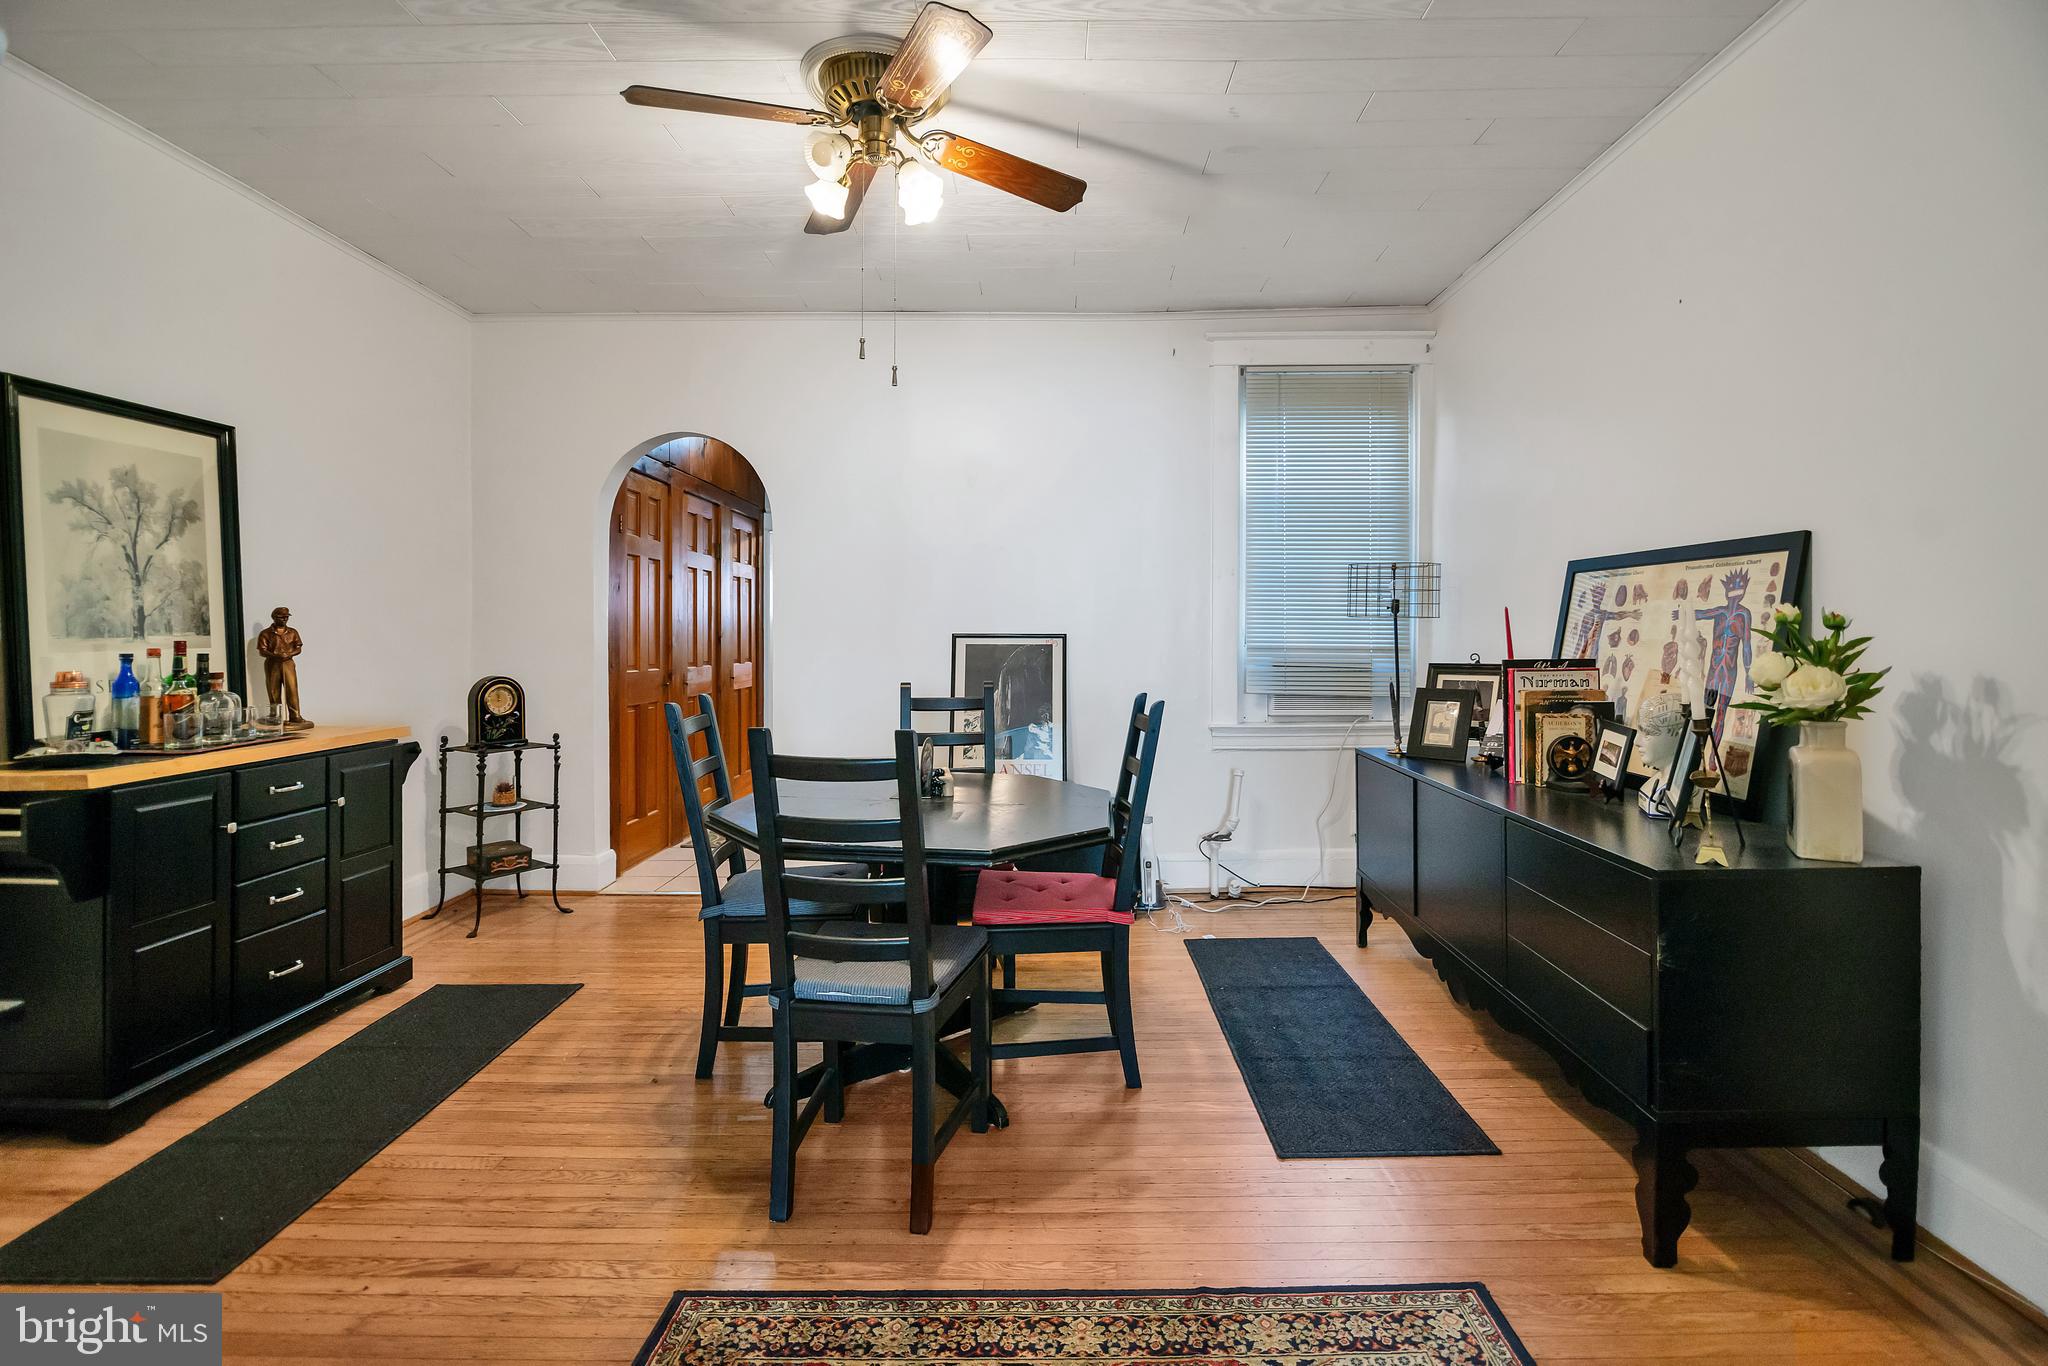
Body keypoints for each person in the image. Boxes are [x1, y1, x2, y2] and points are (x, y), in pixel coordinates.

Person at [257, 607, 314, 729]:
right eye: (282, 617)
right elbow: (262, 651)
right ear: (274, 617)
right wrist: (275, 655)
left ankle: (295, 716)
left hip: (288, 663)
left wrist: (289, 654)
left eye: (286, 617)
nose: (285, 619)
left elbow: (298, 648)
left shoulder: (293, 632)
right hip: (272, 663)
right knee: (273, 690)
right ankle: (275, 716)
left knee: (292, 689)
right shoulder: (265, 633)